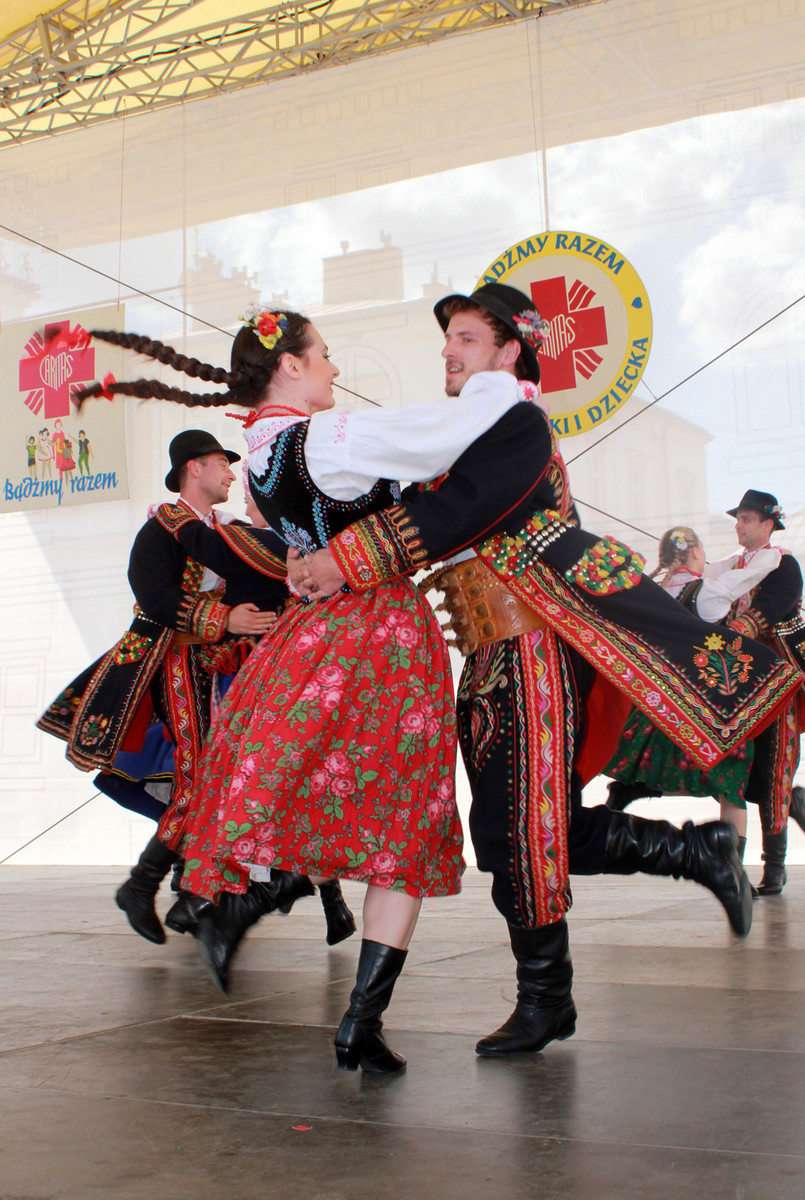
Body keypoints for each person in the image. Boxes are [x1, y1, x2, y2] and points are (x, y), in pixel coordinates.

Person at [297, 282, 802, 1060]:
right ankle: (689, 861)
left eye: (466, 337)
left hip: (533, 650)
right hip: (491, 653)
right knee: (515, 829)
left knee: (522, 827)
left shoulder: (517, 424)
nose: (447, 350)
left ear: (508, 352)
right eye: (447, 337)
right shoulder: (465, 434)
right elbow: (406, 501)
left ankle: (549, 994)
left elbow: (459, 511)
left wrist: (347, 557)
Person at [71, 313, 529, 1073]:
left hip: (313, 631)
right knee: (403, 820)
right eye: (322, 354)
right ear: (288, 366)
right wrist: (501, 375)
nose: (333, 367)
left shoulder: (260, 454)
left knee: (295, 778)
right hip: (378, 631)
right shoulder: (326, 440)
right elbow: (452, 429)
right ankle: (332, 992)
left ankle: (259, 925)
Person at [38, 430, 288, 944]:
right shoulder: (159, 530)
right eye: (222, 463)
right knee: (201, 776)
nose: (231, 473)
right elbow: (153, 597)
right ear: (194, 468)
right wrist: (224, 619)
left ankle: (181, 887)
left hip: (218, 666)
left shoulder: (228, 530)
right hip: (173, 661)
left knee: (218, 775)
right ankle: (155, 885)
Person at [606, 525, 784, 853]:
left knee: (672, 768)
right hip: (703, 705)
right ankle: (732, 866)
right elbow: (745, 577)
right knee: (731, 784)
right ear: (697, 552)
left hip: (659, 703)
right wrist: (770, 558)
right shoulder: (707, 594)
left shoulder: (656, 590)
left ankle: (630, 789)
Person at [716, 491, 805, 894]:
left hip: (778, 681)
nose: (739, 525)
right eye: (738, 519)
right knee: (733, 771)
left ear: (768, 525)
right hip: (739, 686)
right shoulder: (730, 567)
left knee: (775, 768)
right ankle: (735, 870)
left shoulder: (783, 564)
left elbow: (769, 608)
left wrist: (736, 631)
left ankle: (774, 870)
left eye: (747, 519)